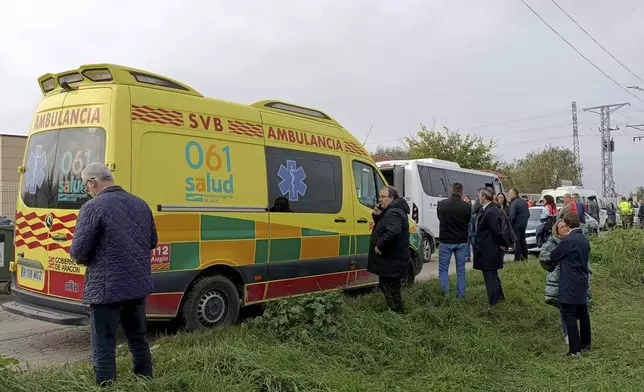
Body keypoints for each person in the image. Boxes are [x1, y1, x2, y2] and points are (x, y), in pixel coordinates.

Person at [70, 163, 157, 386]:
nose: (87, 190)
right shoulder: (140, 203)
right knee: (138, 339)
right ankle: (146, 382)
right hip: (137, 285)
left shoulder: (93, 207)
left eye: (85, 186)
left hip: (106, 288)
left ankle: (107, 386)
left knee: (104, 343)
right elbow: (152, 242)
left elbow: (78, 252)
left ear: (92, 182)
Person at [549, 212, 591, 356]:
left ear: (567, 224)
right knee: (583, 314)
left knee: (569, 315)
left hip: (569, 282)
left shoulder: (568, 240)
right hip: (582, 280)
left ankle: (575, 350)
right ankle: (586, 343)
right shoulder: (584, 239)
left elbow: (553, 255)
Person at [368, 186, 410, 313]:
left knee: (390, 288)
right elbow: (384, 226)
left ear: (391, 198)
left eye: (383, 197)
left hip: (392, 259)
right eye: (380, 196)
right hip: (392, 259)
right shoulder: (391, 211)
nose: (380, 200)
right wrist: (377, 215)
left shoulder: (394, 212)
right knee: (389, 287)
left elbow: (393, 232)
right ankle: (396, 312)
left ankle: (396, 314)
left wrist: (379, 245)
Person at [436, 183, 471, 298]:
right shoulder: (467, 206)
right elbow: (467, 221)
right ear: (462, 191)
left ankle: (445, 295)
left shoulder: (442, 204)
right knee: (460, 269)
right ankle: (461, 295)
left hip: (446, 240)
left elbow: (440, 218)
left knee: (443, 269)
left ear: (451, 190)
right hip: (461, 241)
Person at [474, 187, 506, 306]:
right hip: (490, 248)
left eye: (480, 195)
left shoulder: (490, 211)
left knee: (489, 276)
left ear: (484, 197)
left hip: (489, 249)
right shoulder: (490, 209)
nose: (478, 198)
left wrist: (502, 244)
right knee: (493, 274)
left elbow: (496, 231)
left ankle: (494, 302)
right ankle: (500, 299)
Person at [539, 220, 569, 345]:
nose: (564, 228)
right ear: (556, 232)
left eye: (566, 226)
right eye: (561, 227)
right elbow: (543, 257)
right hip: (558, 279)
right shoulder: (552, 243)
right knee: (564, 307)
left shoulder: (573, 240)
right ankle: (567, 333)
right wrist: (555, 261)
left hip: (572, 279)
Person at [508, 188, 530, 262]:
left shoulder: (514, 203)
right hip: (523, 224)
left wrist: (509, 227)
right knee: (522, 241)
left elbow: (512, 216)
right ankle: (525, 257)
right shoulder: (524, 202)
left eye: (510, 194)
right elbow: (528, 214)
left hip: (516, 225)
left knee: (517, 242)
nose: (509, 195)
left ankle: (517, 259)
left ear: (515, 194)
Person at [463, 195, 476, 263]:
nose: (465, 199)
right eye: (464, 198)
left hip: (471, 228)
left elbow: (474, 217)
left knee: (474, 243)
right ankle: (467, 257)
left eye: (467, 198)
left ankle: (475, 257)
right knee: (466, 244)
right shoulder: (462, 208)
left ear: (469, 199)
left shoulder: (472, 207)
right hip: (466, 229)